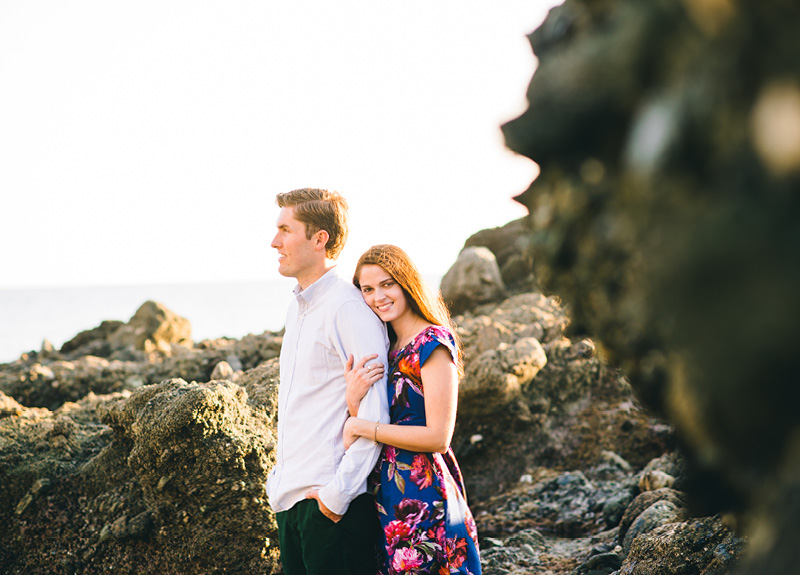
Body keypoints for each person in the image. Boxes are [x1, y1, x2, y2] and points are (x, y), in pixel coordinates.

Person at [266, 188, 390, 575]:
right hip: (292, 504)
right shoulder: (298, 307)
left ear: (320, 239)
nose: (275, 242)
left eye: (285, 230)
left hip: (330, 507)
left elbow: (375, 412)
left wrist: (337, 496)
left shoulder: (348, 307)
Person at [343, 244, 482, 575]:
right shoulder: (385, 348)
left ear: (406, 282)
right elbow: (363, 422)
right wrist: (353, 396)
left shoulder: (432, 343)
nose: (379, 296)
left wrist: (362, 426)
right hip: (384, 495)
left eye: (388, 284)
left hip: (424, 493)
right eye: (368, 289)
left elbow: (438, 436)